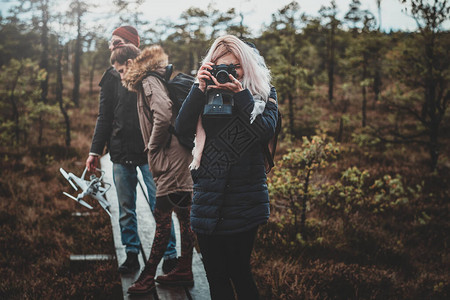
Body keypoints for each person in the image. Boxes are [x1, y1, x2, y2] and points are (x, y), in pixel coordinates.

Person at [175, 35, 278, 300]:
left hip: (245, 197)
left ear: (247, 65)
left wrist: (241, 95)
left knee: (240, 273)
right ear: (211, 65)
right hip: (209, 194)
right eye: (222, 65)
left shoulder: (262, 92)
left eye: (235, 66)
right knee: (216, 277)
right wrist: (198, 88)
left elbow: (264, 131)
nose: (229, 72)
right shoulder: (205, 90)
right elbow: (182, 128)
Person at [86, 26, 178, 275]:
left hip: (151, 152)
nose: (111, 46)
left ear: (130, 45)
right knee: (125, 208)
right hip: (119, 151)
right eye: (109, 42)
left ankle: (170, 255)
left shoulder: (151, 73)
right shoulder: (111, 76)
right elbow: (104, 117)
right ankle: (131, 254)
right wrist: (95, 151)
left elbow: (164, 110)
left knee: (161, 205)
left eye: (115, 42)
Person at [111, 43, 195, 295]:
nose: (120, 75)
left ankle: (147, 276)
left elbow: (164, 113)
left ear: (128, 64)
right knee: (183, 214)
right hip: (178, 155)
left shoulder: (147, 80)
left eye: (120, 70)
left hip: (171, 158)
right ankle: (185, 269)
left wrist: (153, 147)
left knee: (161, 215)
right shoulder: (152, 77)